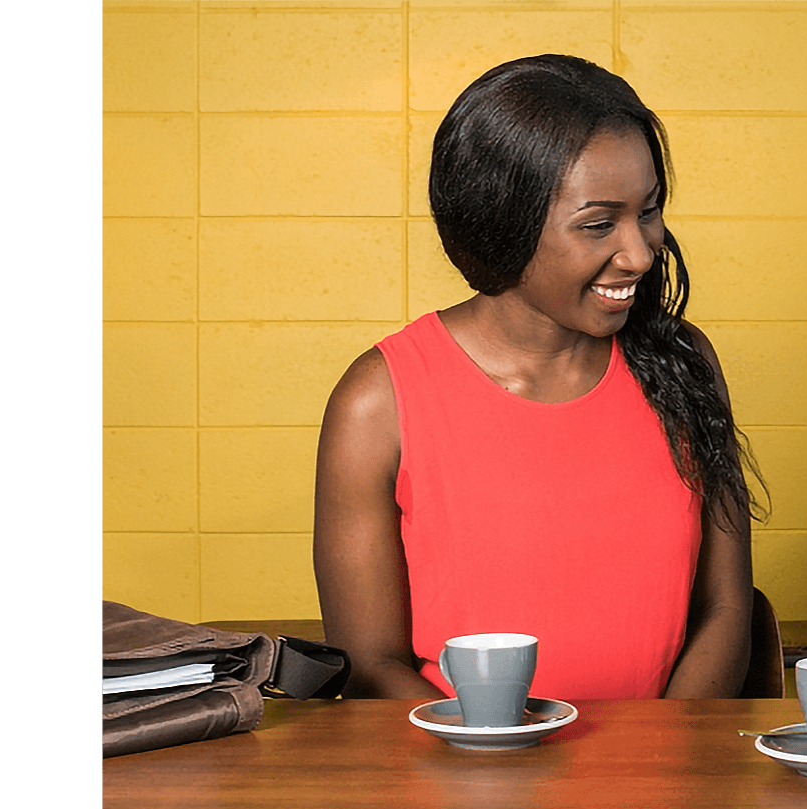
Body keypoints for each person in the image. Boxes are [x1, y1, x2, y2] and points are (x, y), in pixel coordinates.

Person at [313, 55, 762, 701]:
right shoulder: (378, 401)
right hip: (460, 782)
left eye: (649, 211)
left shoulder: (683, 361)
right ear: (501, 225)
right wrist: (490, 761)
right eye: (598, 224)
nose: (638, 253)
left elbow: (725, 609)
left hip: (661, 781)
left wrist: (662, 766)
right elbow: (369, 663)